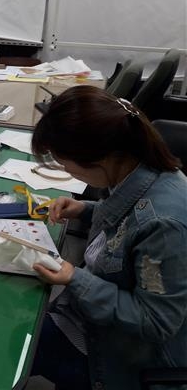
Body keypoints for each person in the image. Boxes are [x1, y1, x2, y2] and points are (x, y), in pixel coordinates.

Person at [29, 86, 187, 390]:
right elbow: (131, 222)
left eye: (65, 162)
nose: (65, 170)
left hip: (119, 356)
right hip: (90, 321)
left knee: (7, 345)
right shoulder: (141, 170)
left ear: (97, 158)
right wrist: (86, 209)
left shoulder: (164, 225)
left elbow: (155, 321)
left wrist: (74, 278)